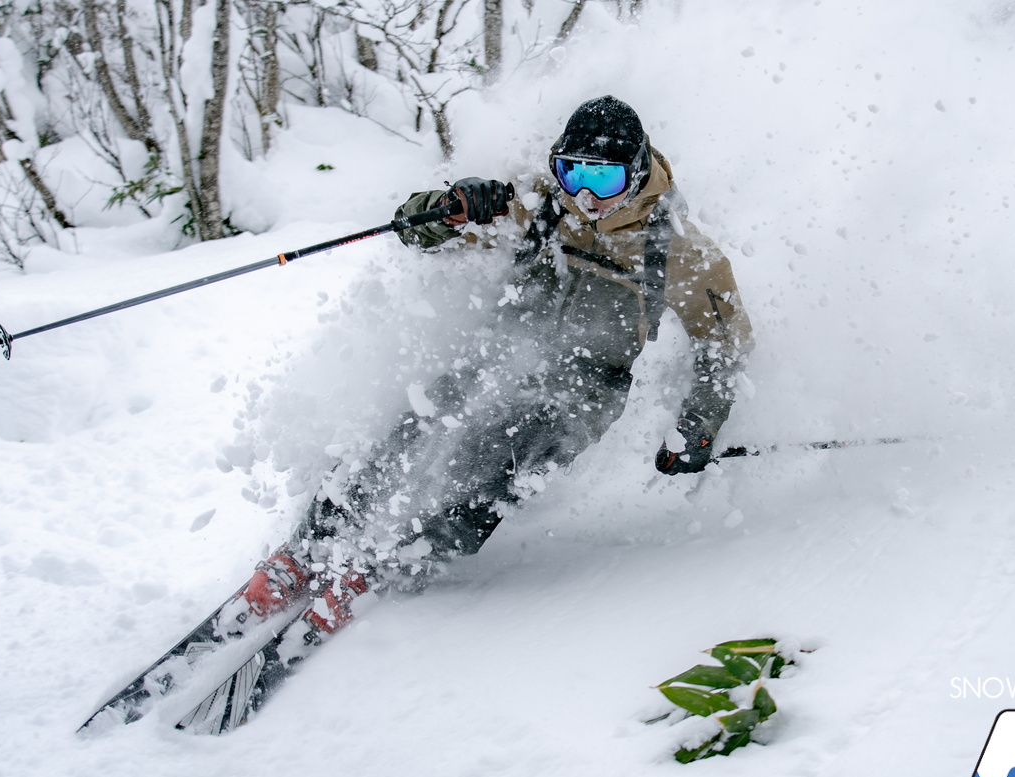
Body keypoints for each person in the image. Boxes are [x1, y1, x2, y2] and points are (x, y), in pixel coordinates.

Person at [257, 96, 754, 634]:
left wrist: (700, 424)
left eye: (604, 180)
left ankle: (394, 562)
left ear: (635, 176)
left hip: (587, 388)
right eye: (572, 173)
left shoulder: (679, 248)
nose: (585, 197)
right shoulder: (538, 201)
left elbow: (724, 347)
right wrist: (450, 208)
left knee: (497, 458)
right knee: (411, 429)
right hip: (498, 351)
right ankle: (311, 547)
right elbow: (411, 228)